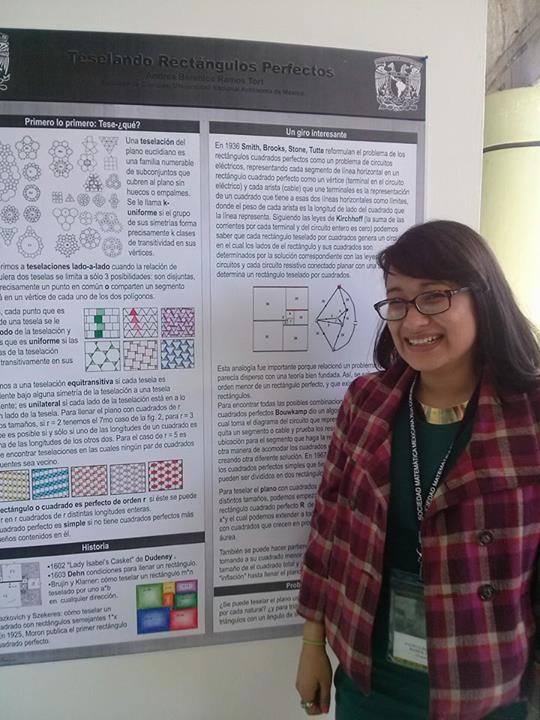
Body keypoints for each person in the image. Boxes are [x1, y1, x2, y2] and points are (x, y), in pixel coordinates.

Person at [296, 220, 540, 720]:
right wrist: (312, 643)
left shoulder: (530, 414)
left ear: (483, 298)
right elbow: (327, 529)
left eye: (433, 297)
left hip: (485, 681)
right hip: (370, 674)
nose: (412, 321)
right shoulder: (366, 401)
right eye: (398, 301)